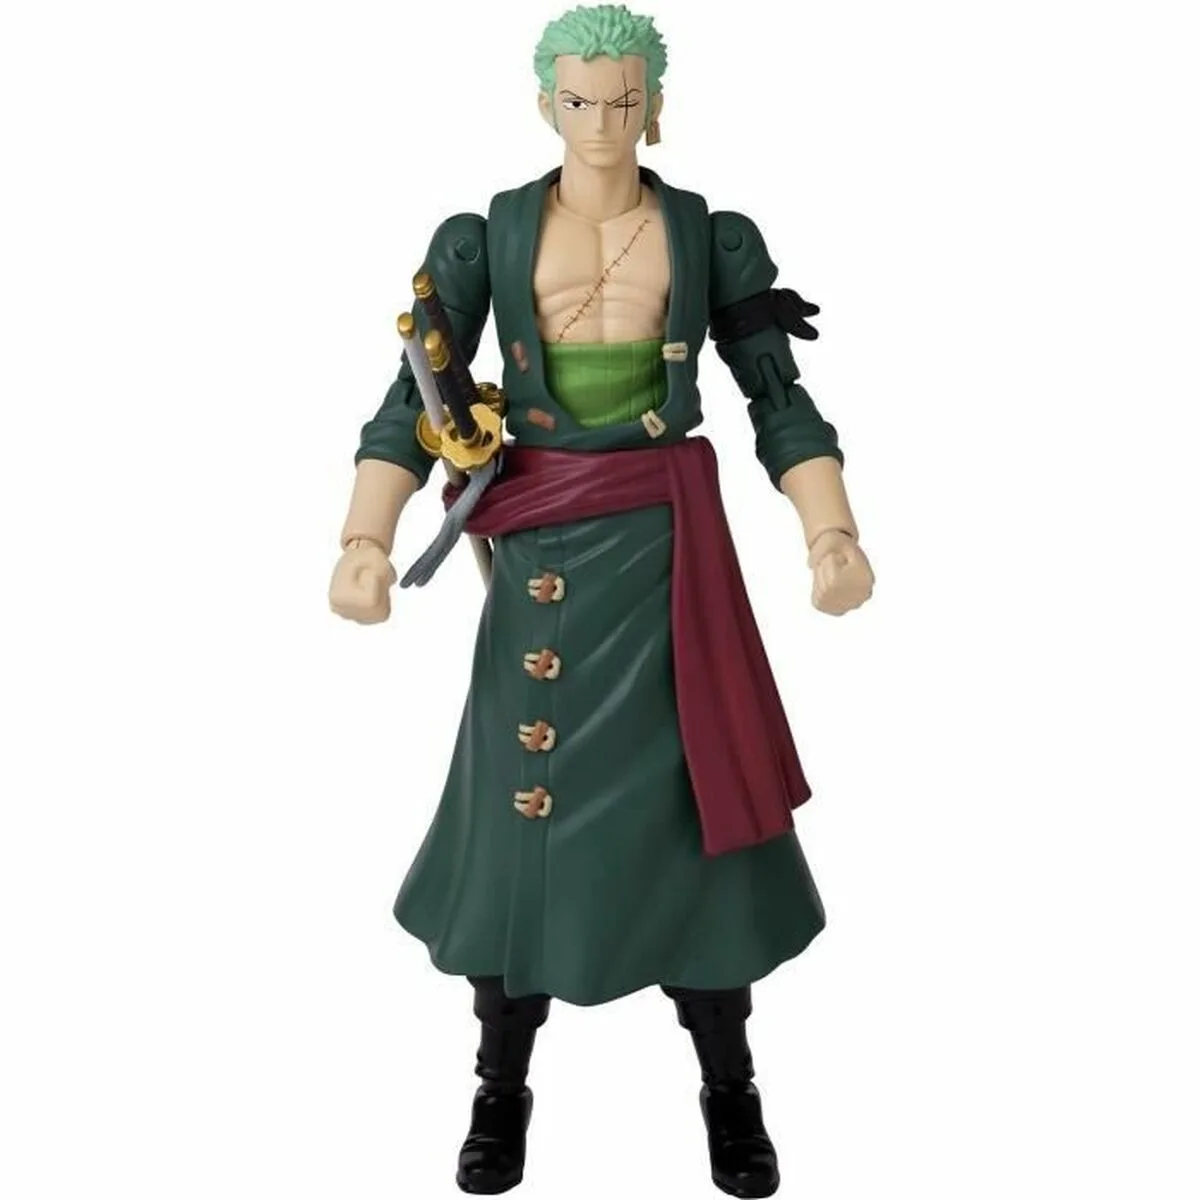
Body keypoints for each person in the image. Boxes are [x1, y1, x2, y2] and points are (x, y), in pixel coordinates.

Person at [328, 6, 874, 1196]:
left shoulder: (709, 238)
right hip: (533, 551)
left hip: (668, 557)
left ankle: (730, 1088)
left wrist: (829, 528)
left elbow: (779, 399)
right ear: (545, 104)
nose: (603, 123)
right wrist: (365, 537)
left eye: (625, 101)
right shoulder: (485, 239)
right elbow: (410, 400)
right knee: (518, 811)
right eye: (581, 101)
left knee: (698, 812)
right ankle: (499, 1085)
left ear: (656, 106)